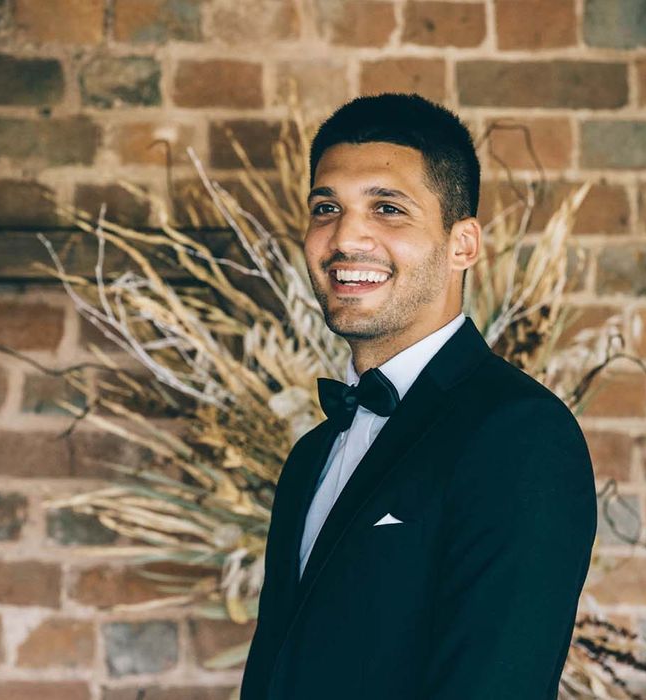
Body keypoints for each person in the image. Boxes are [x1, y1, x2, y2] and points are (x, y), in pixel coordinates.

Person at [240, 93, 597, 700]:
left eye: (387, 208)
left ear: (463, 244)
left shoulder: (520, 433)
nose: (346, 236)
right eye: (326, 207)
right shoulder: (309, 457)